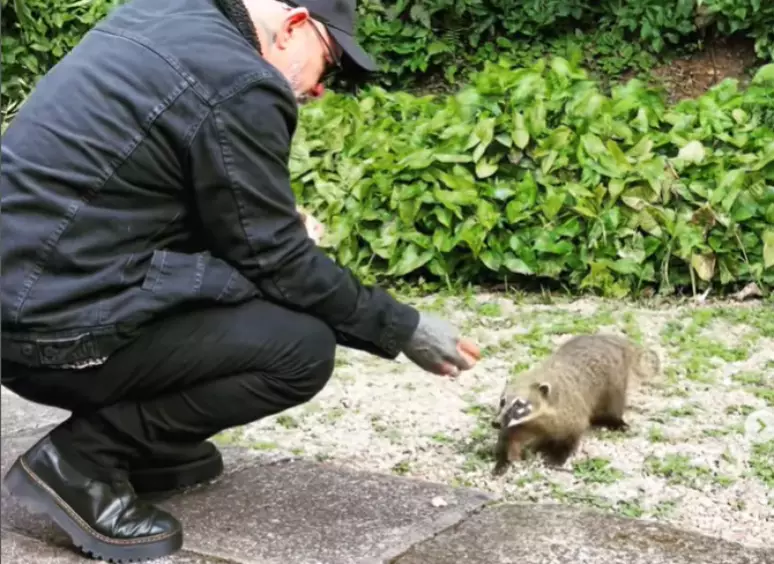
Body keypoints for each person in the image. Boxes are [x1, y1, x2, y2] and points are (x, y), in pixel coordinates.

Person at [0, 0, 481, 561]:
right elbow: (277, 262)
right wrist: (403, 327)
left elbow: (133, 183)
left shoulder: (161, 15)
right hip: (47, 329)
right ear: (295, 25)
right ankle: (82, 461)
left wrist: (262, 230)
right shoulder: (241, 80)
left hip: (25, 294)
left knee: (247, 296)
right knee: (298, 349)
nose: (322, 89)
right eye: (328, 63)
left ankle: (143, 446)